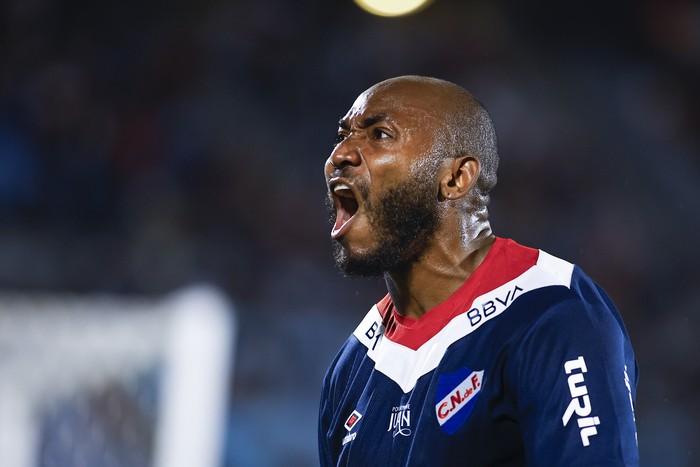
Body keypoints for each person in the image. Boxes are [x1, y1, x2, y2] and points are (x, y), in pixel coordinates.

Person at [318, 75, 639, 466]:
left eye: (380, 134)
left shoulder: (551, 313)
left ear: (455, 178)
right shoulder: (352, 367)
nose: (341, 154)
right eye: (342, 135)